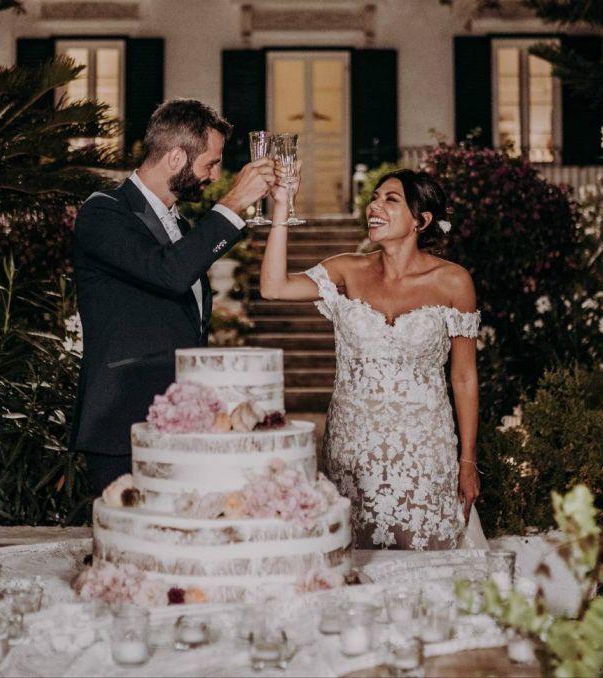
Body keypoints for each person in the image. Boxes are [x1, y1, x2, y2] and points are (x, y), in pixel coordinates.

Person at [259, 168, 481, 549]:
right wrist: (281, 206)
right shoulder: (347, 269)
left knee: (426, 564)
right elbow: (273, 287)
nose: (374, 206)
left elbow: (463, 377)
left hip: (424, 453)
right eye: (374, 198)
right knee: (351, 562)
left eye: (390, 200)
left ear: (421, 221)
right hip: (351, 453)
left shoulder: (454, 282)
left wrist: (468, 460)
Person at [69, 99, 275, 494]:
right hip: (123, 422)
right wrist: (233, 202)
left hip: (181, 423)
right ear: (176, 157)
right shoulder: (104, 212)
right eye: (210, 164)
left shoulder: (181, 225)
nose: (214, 176)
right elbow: (170, 273)